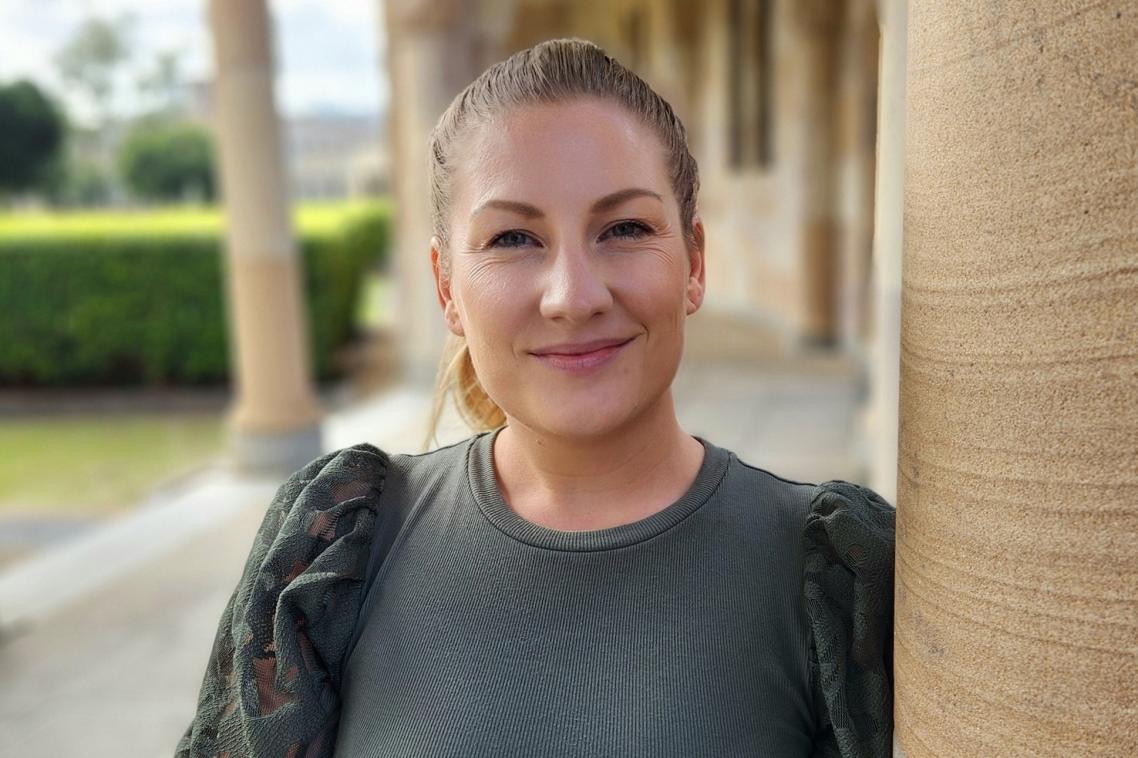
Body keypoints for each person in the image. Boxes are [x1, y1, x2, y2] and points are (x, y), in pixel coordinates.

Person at [176, 38, 895, 758]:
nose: (573, 297)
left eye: (624, 229)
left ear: (694, 264)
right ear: (446, 288)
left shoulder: (833, 576)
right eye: (514, 238)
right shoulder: (335, 550)